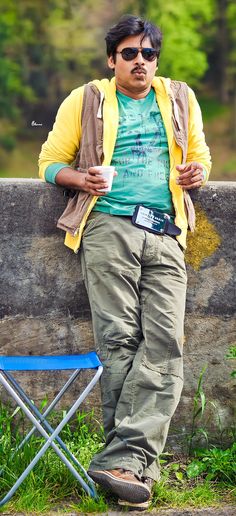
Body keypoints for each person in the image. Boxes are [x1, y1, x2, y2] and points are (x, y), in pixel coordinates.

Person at [38, 14, 211, 510]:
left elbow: (200, 156)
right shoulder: (88, 98)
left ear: (157, 59)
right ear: (112, 59)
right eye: (130, 54)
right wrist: (80, 180)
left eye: (149, 54)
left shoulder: (180, 97)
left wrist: (198, 170)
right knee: (118, 342)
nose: (141, 62)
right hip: (108, 226)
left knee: (165, 341)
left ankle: (121, 463)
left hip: (167, 228)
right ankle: (131, 472)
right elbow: (49, 162)